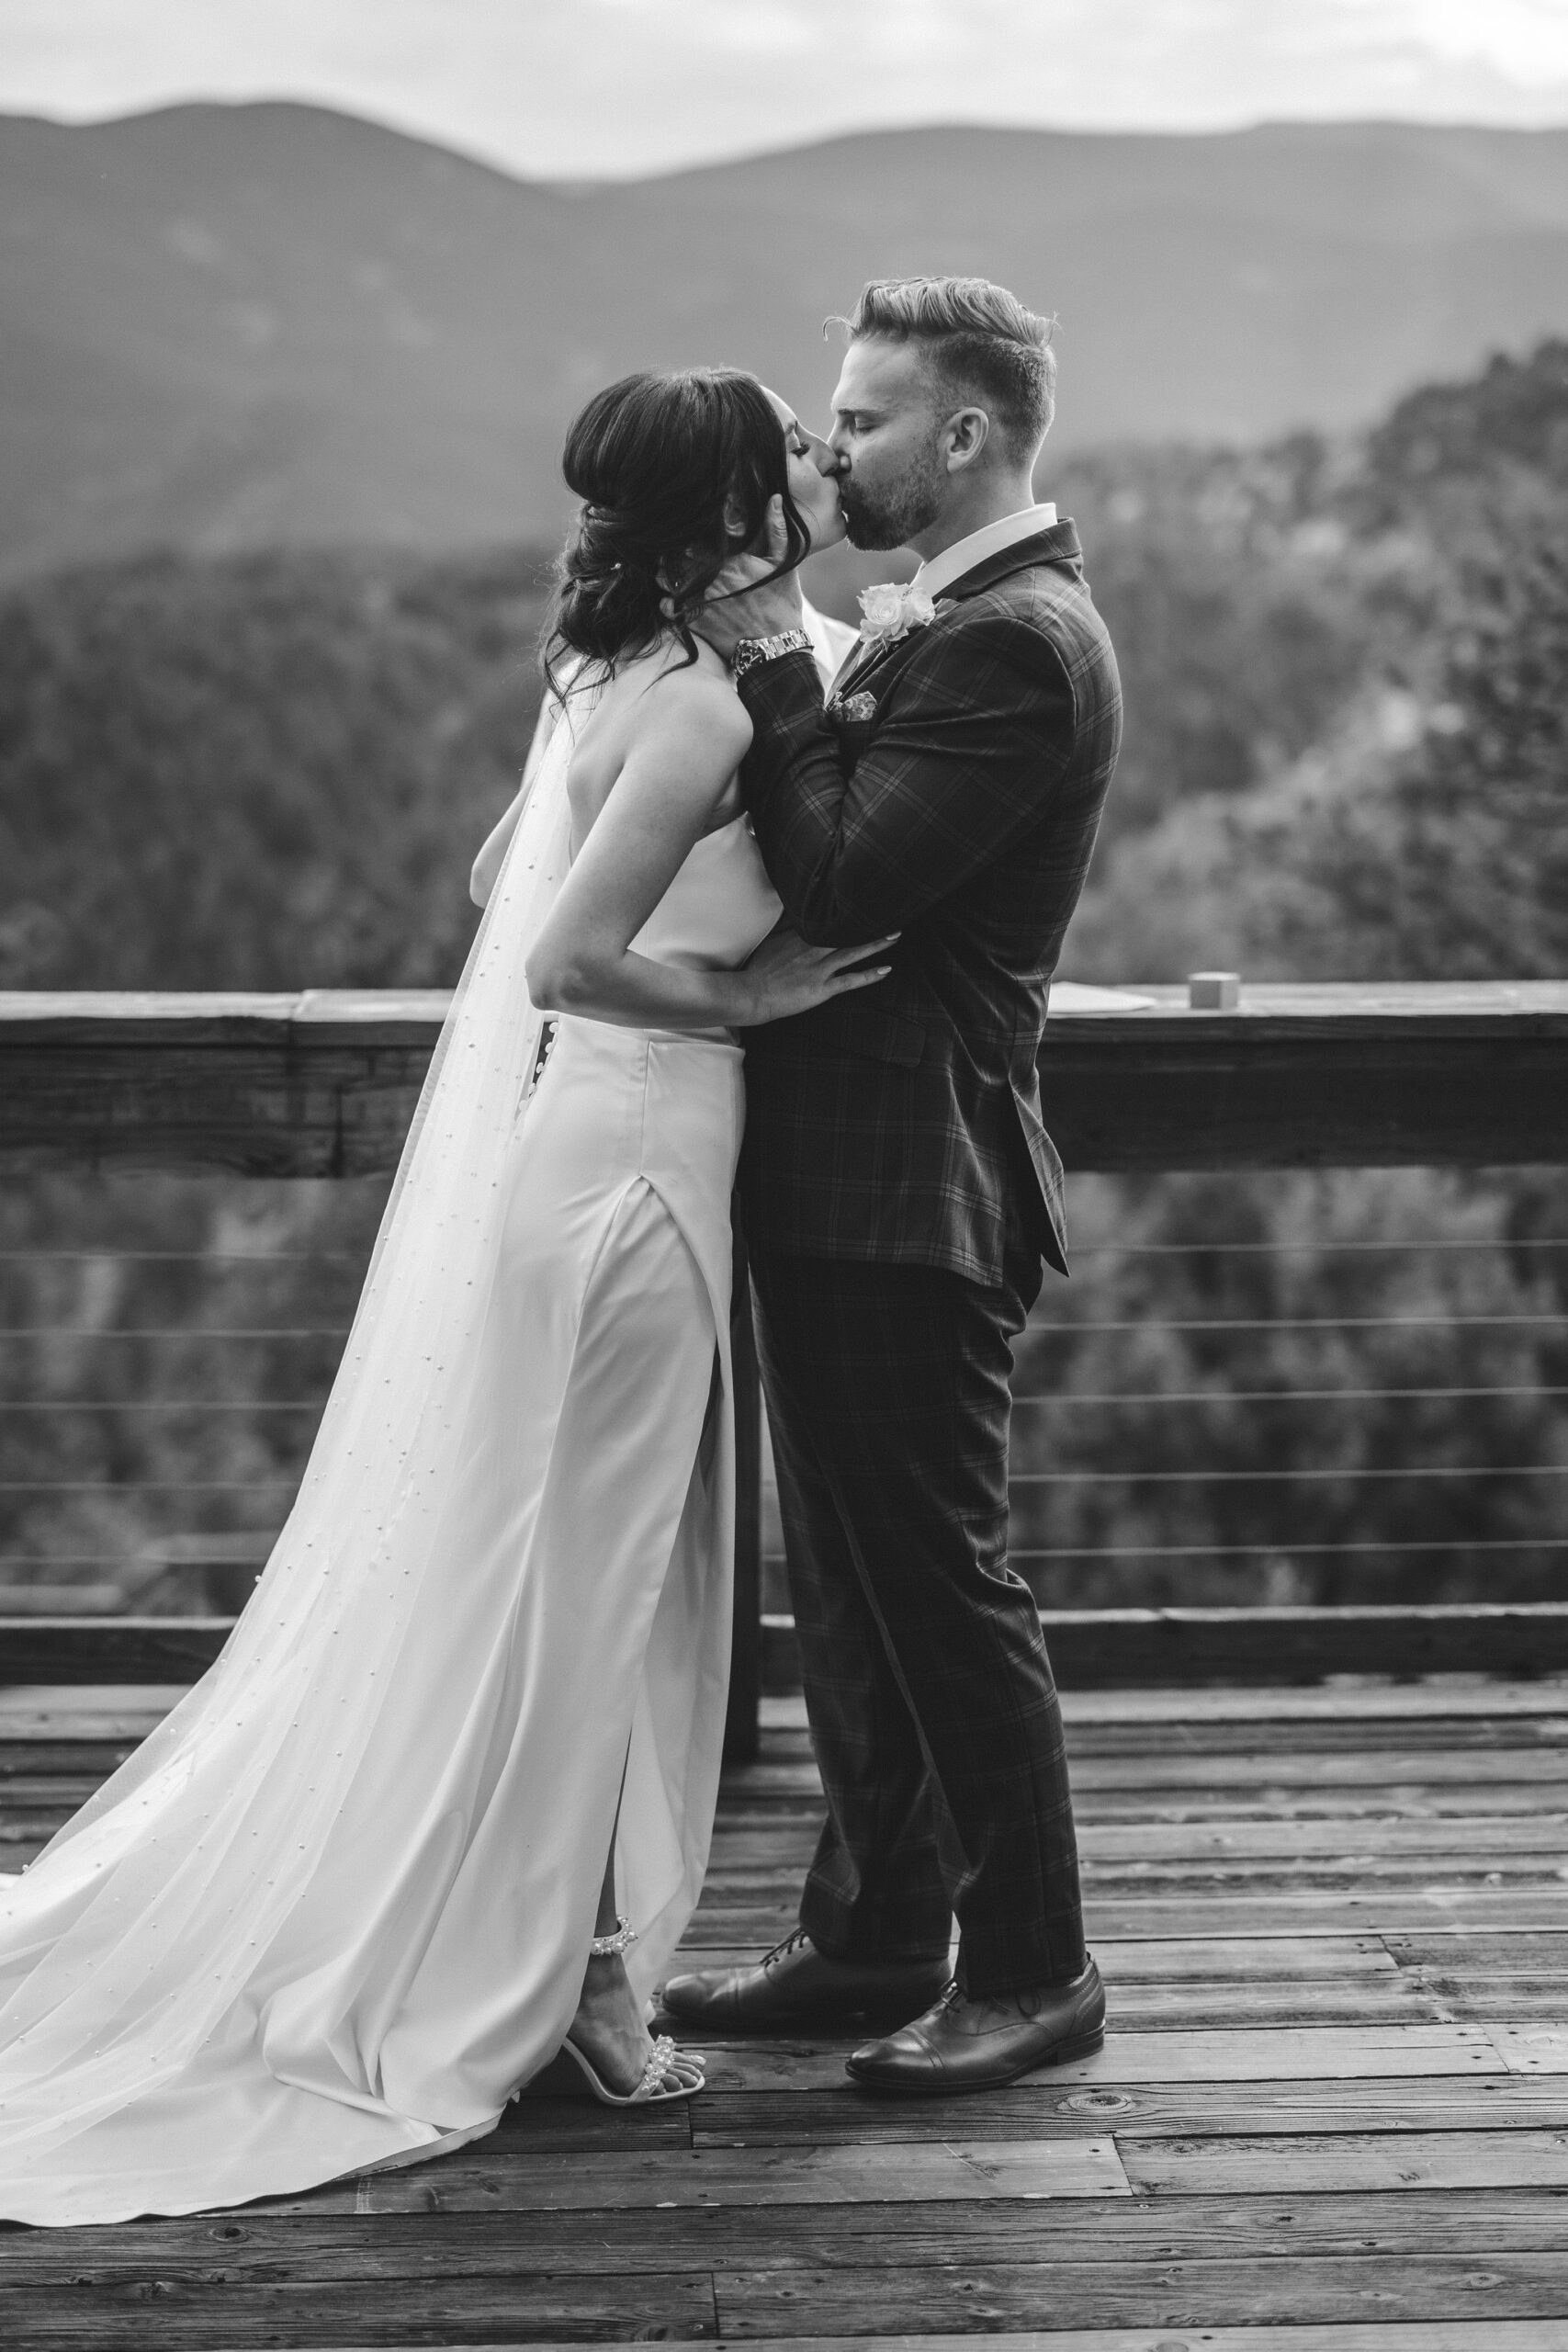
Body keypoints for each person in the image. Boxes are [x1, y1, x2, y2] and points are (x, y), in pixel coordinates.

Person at [0, 368, 873, 2224]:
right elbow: (559, 947)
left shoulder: (603, 671)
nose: (815, 456)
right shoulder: (710, 700)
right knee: (594, 1595)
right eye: (790, 440)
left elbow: (499, 873)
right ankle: (567, 1991)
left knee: (543, 1574)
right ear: (732, 498)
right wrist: (755, 993)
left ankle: (550, 1944)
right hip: (640, 1167)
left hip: (576, 1159)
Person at [662, 277, 1122, 2094]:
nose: (828, 442)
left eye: (857, 417)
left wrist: (777, 656)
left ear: (959, 434)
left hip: (908, 1170)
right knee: (850, 1585)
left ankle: (1034, 1965)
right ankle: (870, 1935)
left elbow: (848, 876)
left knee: (939, 1582)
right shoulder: (962, 615)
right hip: (842, 1168)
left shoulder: (1017, 640)